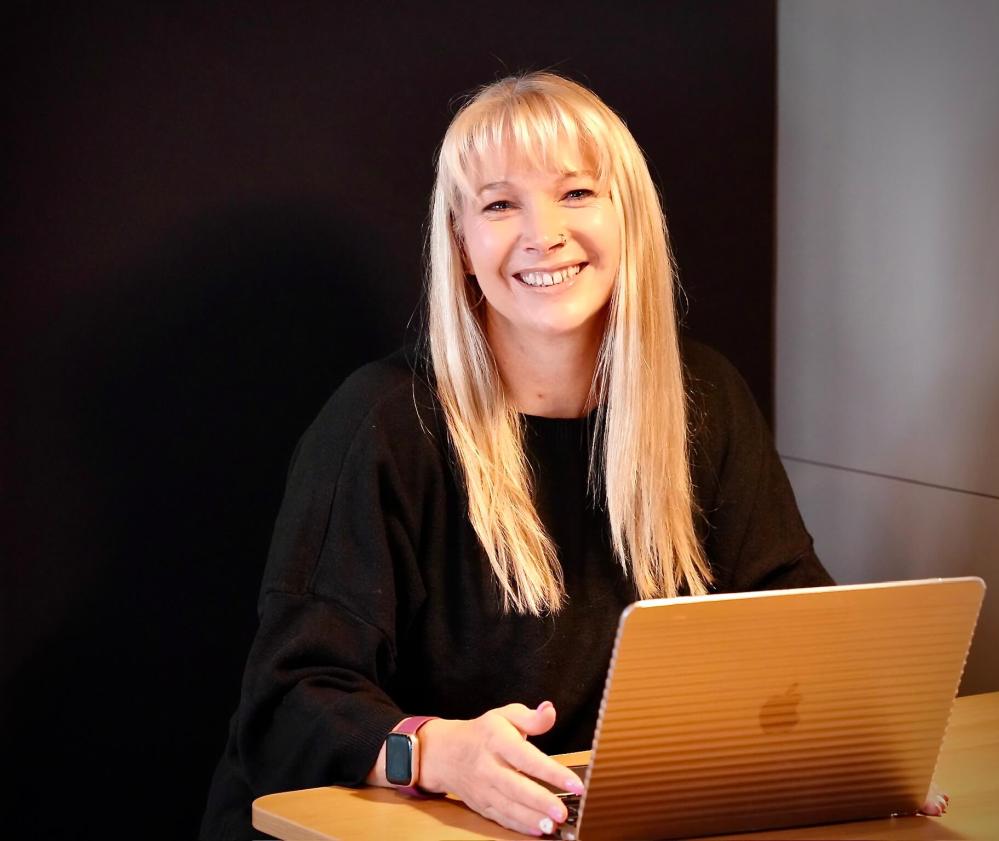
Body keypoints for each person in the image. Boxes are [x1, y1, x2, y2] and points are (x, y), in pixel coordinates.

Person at [200, 72, 943, 840]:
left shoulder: (705, 400)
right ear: (461, 243)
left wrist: (863, 752)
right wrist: (437, 751)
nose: (542, 232)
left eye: (577, 193)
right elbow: (285, 702)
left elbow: (792, 622)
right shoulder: (381, 423)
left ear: (629, 217)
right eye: (498, 204)